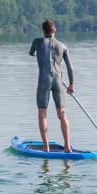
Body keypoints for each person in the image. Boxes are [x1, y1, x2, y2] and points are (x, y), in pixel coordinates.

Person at [29, 19, 74, 152]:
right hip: (58, 80)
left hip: (44, 80)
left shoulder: (37, 42)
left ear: (43, 31)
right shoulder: (63, 46)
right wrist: (71, 84)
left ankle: (47, 147)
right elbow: (70, 68)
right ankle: (67, 146)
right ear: (55, 30)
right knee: (62, 113)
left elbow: (31, 53)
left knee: (42, 113)